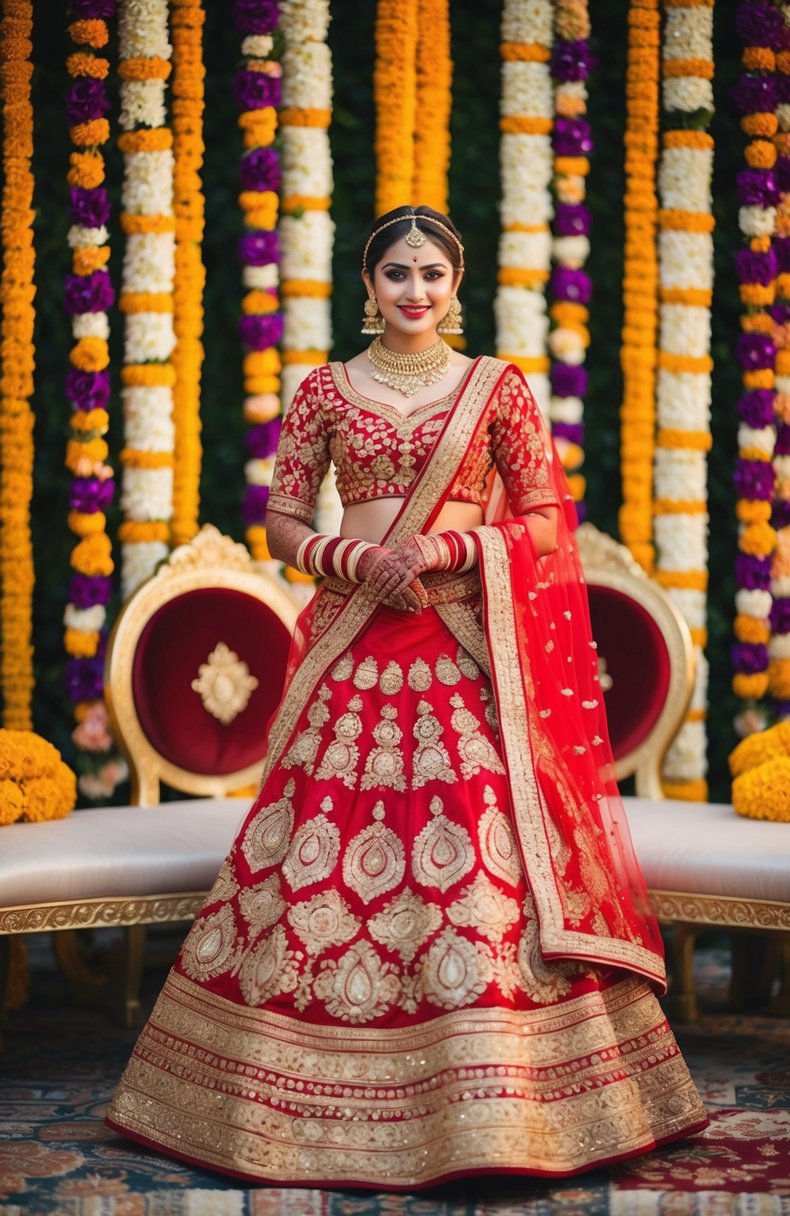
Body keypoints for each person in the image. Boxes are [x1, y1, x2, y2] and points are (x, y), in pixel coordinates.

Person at [106, 205, 707, 1188]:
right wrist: (350, 557)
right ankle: (279, 1104)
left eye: (432, 274)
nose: (415, 292)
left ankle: (502, 1107)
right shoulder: (324, 391)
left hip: (462, 645)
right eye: (397, 275)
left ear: (457, 284)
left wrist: (449, 546)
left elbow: (549, 519)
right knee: (316, 855)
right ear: (367, 285)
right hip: (354, 647)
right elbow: (285, 520)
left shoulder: (494, 390)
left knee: (478, 854)